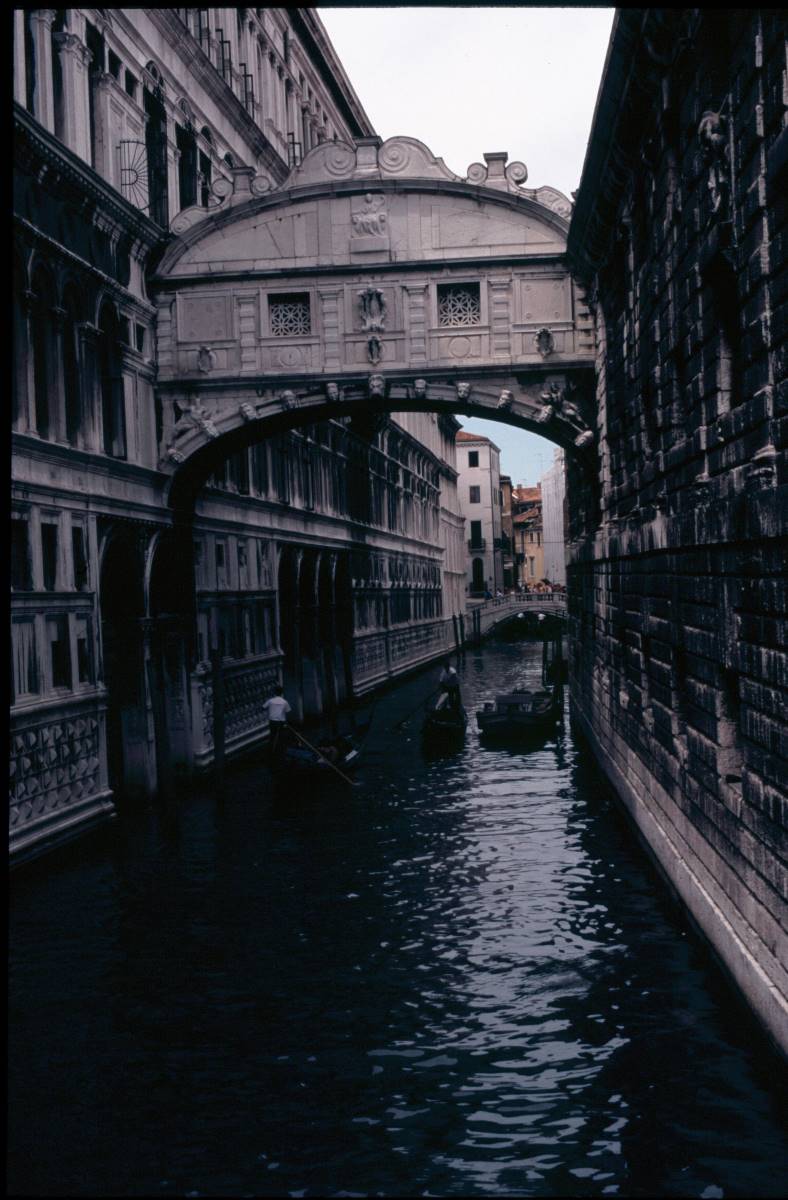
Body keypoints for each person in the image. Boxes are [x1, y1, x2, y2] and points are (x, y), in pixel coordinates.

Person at [263, 686, 291, 760]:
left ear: (275, 692)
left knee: (272, 736)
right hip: (281, 722)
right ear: (281, 693)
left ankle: (271, 753)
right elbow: (287, 712)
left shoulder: (270, 701)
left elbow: (263, 707)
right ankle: (280, 753)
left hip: (272, 721)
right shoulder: (284, 702)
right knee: (281, 737)